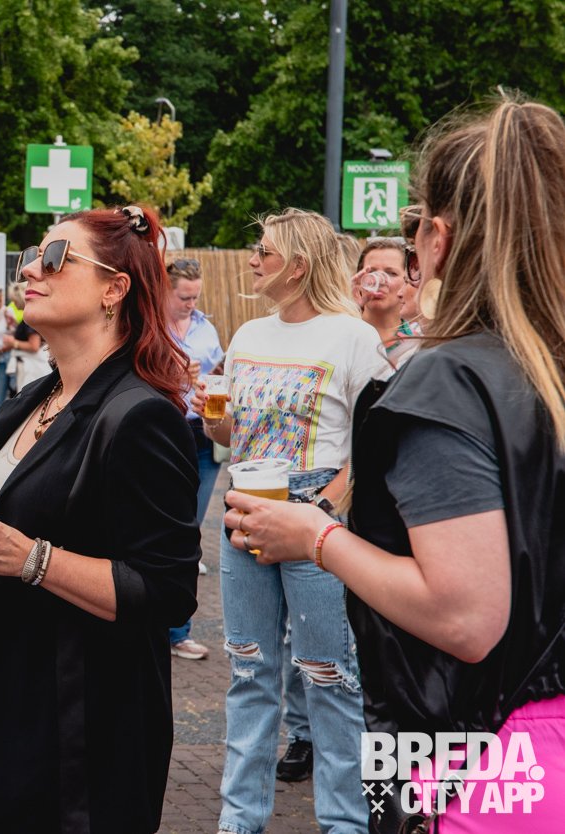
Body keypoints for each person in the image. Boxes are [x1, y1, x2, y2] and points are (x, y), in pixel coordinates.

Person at [230, 98, 565, 834]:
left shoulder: (452, 379)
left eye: (413, 224)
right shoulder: (539, 367)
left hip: (480, 759)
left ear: (436, 239)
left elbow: (465, 616)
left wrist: (314, 536)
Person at [0, 204, 200, 833]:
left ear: (114, 289)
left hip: (71, 716)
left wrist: (33, 559)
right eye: (32, 256)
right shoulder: (35, 397)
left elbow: (166, 590)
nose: (30, 269)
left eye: (55, 257)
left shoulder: (140, 416)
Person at [192, 208, 385, 834]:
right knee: (248, 671)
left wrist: (322, 509)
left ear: (298, 266)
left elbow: (377, 444)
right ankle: (238, 820)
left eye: (264, 251)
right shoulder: (248, 334)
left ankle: (345, 823)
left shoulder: (352, 337)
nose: (252, 259)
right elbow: (230, 435)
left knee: (329, 676)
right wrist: (211, 414)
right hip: (245, 504)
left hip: (314, 512)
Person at [164, 256, 224, 661]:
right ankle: (163, 628)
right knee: (167, 527)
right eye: (184, 297)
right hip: (164, 430)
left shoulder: (206, 327)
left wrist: (214, 381)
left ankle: (177, 631)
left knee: (190, 530)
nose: (191, 304)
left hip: (201, 433)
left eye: (195, 297)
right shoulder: (150, 325)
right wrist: (175, 378)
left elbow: (217, 372)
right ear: (165, 291)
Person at [352, 237, 419, 368]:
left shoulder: (417, 343)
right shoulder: (342, 332)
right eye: (371, 272)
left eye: (391, 273)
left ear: (407, 279)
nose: (379, 281)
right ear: (359, 279)